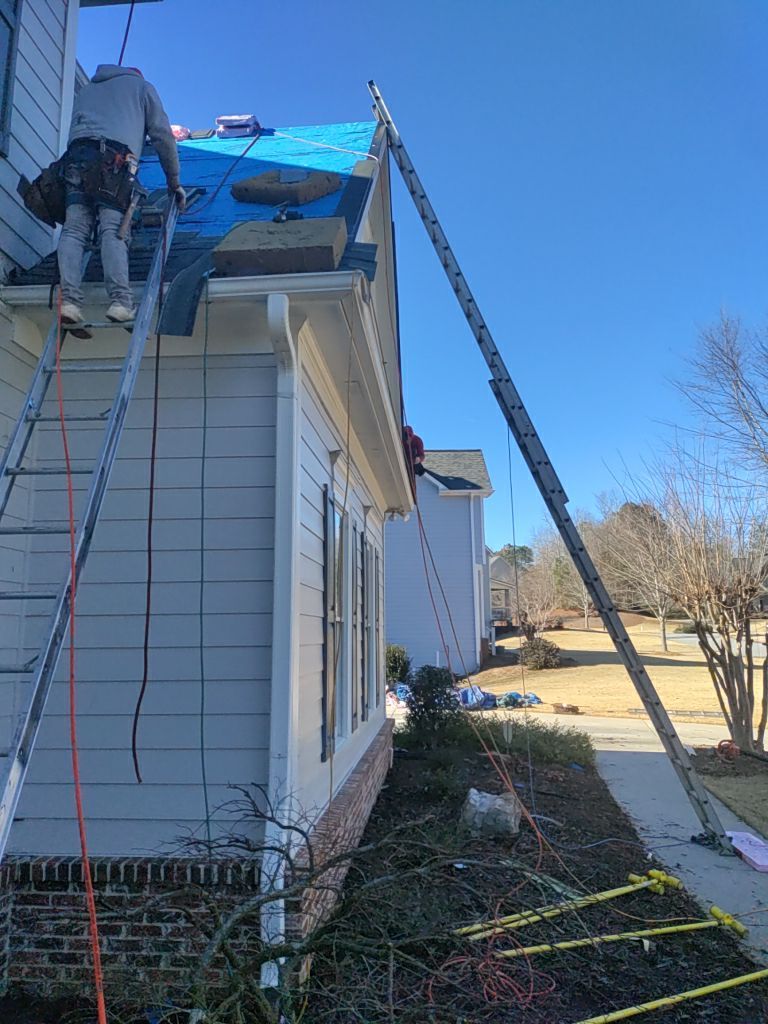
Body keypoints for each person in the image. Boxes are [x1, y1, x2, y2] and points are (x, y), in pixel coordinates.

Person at [57, 65, 187, 327]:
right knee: (113, 230)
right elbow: (162, 136)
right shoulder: (142, 88)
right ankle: (121, 302)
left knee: (73, 231)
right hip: (112, 163)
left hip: (75, 160)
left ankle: (69, 302)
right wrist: (174, 182)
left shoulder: (88, 89)